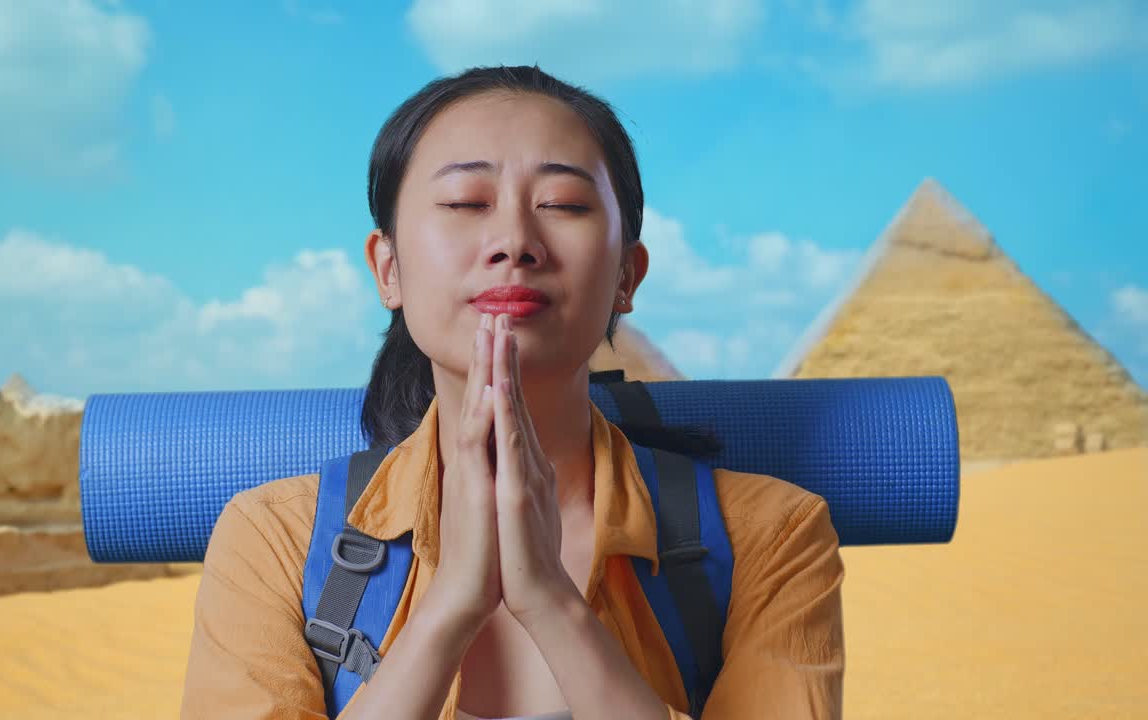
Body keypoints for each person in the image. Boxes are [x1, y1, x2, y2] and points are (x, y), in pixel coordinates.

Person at [180, 64, 845, 720]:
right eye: (466, 203)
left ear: (626, 276)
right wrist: (450, 607)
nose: (514, 242)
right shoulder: (273, 538)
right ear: (389, 269)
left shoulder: (773, 534)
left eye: (562, 205)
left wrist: (552, 605)